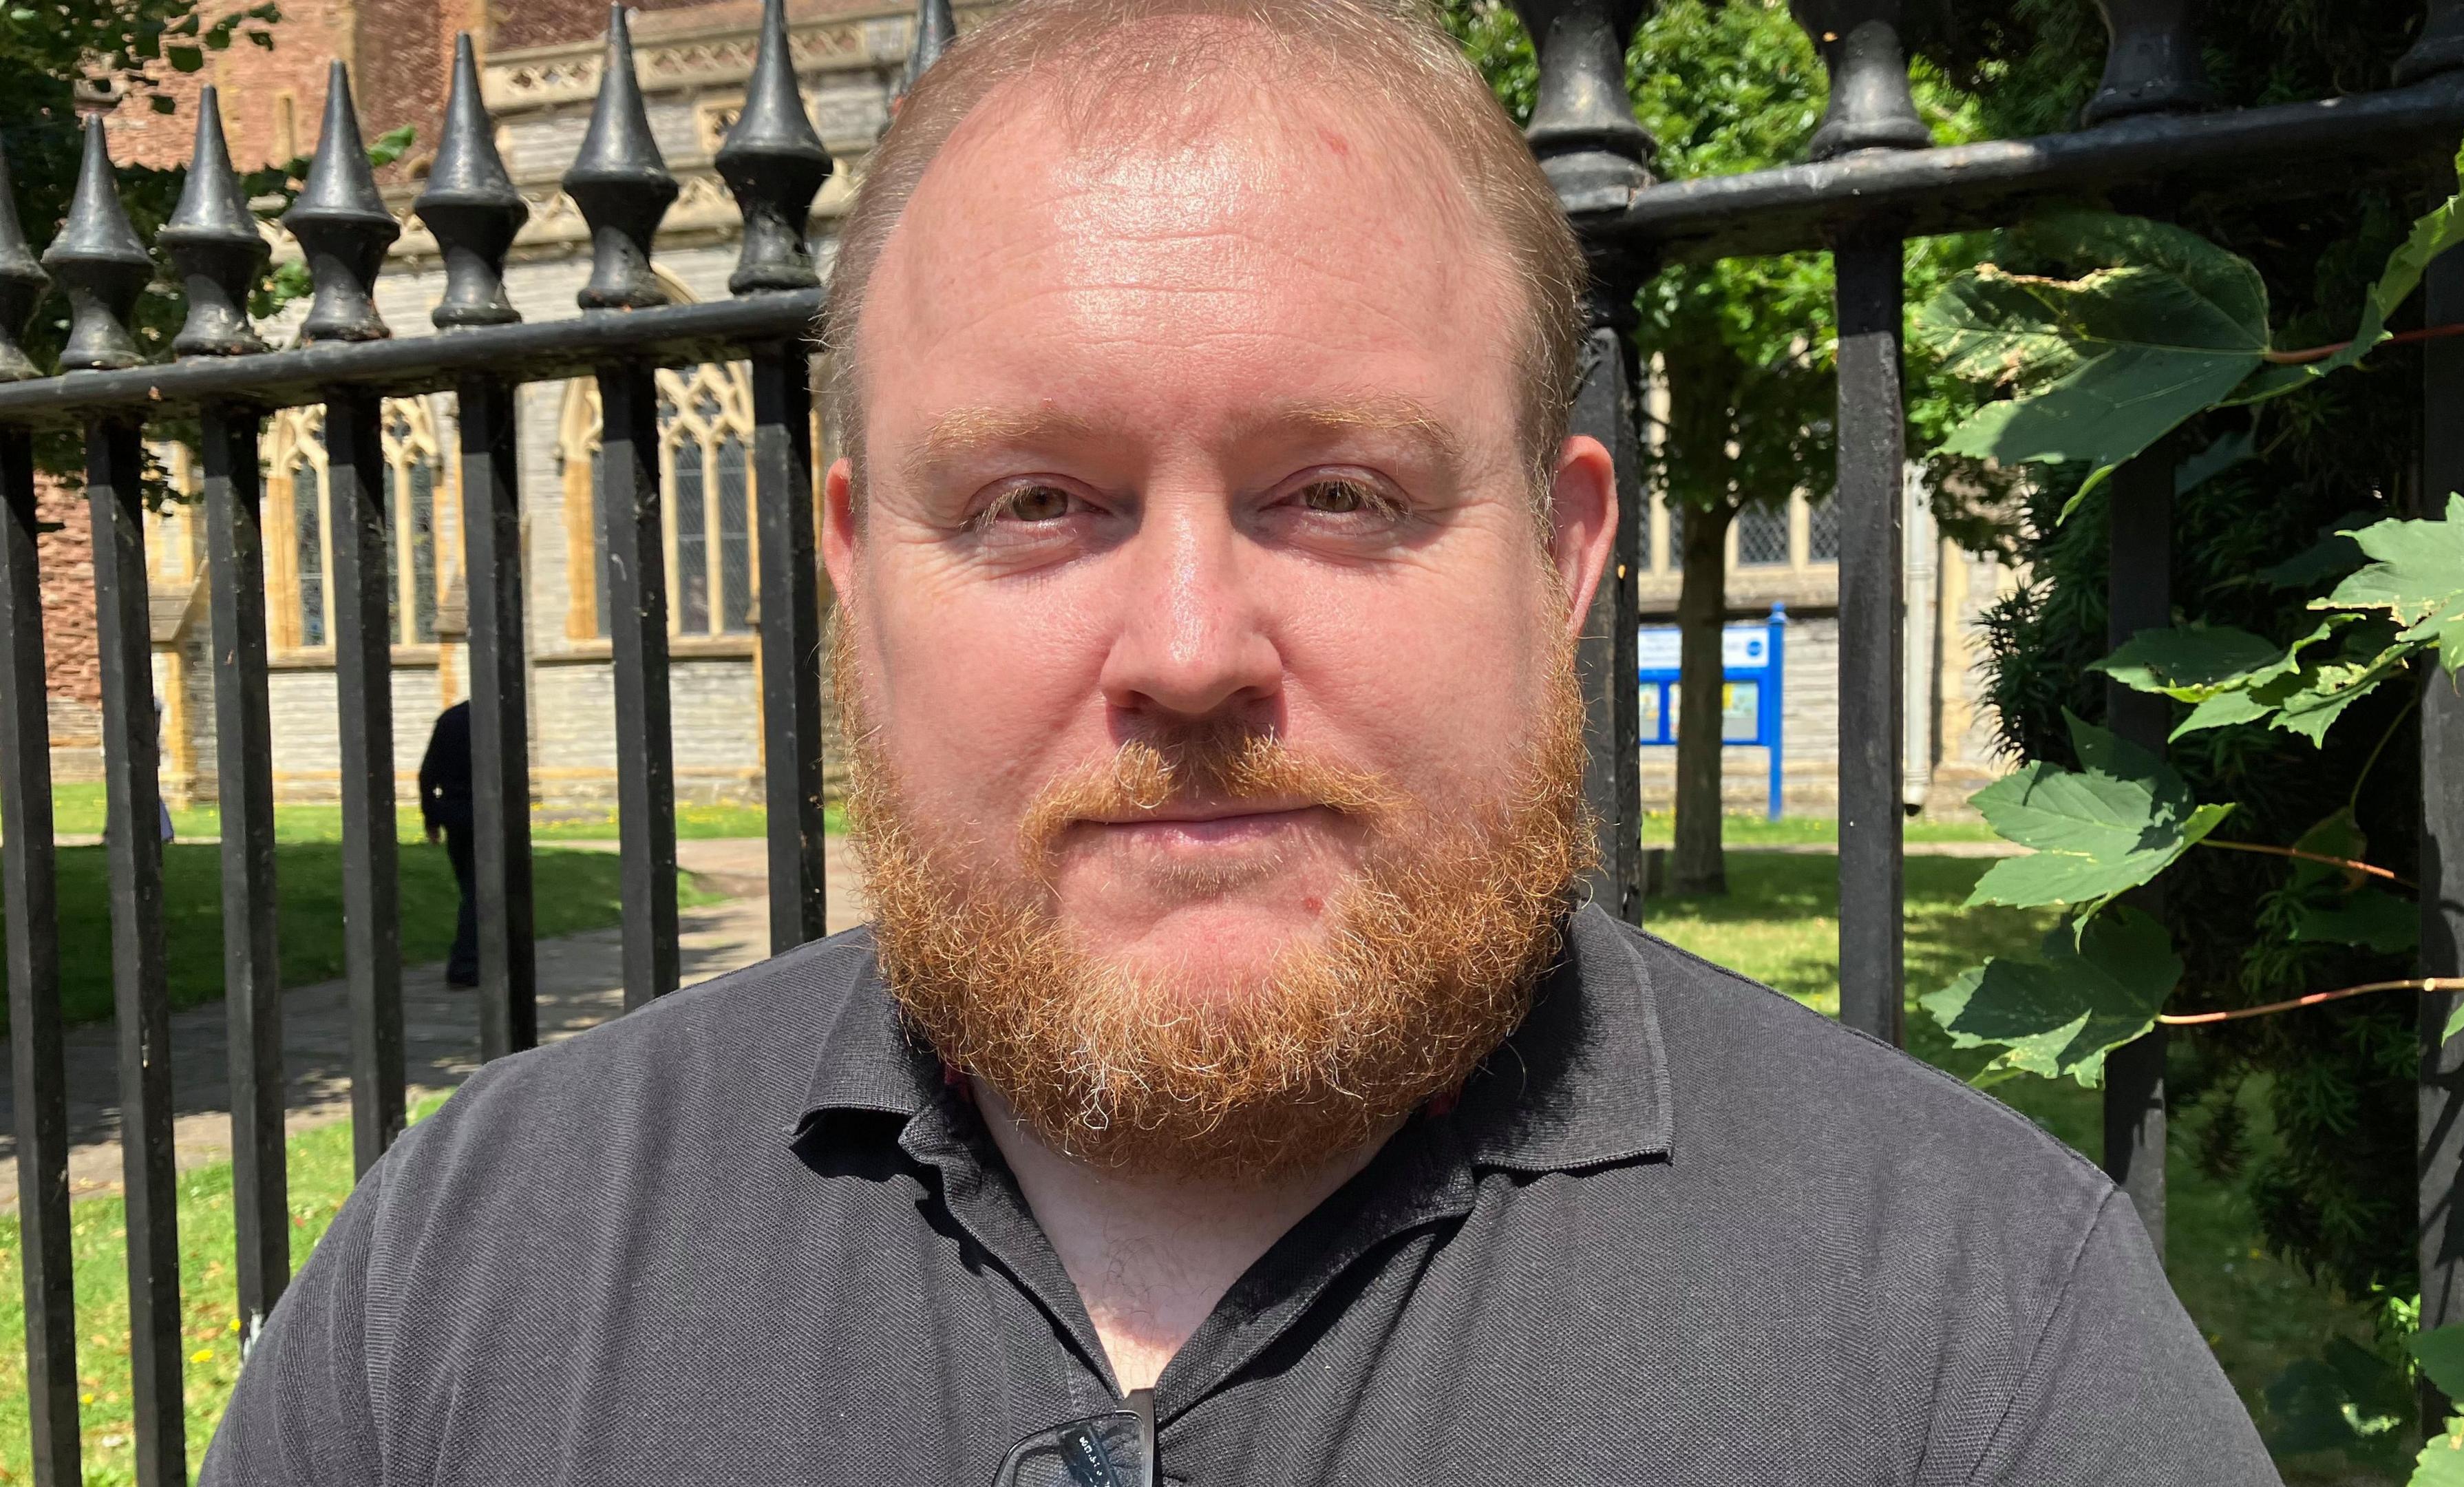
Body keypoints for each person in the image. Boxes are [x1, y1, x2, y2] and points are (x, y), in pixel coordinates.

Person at [202, 2, 2281, 1481]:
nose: (1189, 652)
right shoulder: (468, 1270)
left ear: (1564, 556)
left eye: (1339, 494)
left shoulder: (1976, 1344)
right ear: (850, 569)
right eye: (1035, 502)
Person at [417, 699, 479, 988]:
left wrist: (431, 818)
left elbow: (428, 773)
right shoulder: (497, 717)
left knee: (471, 888)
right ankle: (467, 965)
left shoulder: (451, 718)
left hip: (456, 814)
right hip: (489, 814)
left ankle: (472, 961)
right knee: (482, 893)